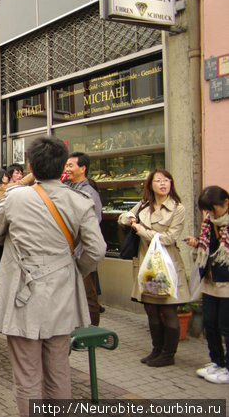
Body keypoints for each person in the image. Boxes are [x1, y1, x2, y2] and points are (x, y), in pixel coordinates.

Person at [0, 136, 105, 416]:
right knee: (59, 372)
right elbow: (97, 250)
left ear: (30, 166)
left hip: (22, 295)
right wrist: (76, 269)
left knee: (27, 376)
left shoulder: (15, 198)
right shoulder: (79, 200)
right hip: (62, 293)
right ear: (64, 165)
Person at [119, 169, 190, 367]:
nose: (163, 184)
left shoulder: (178, 208)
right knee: (151, 310)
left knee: (168, 310)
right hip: (146, 264)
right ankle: (156, 349)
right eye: (158, 180)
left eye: (167, 180)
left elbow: (169, 238)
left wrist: (141, 230)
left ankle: (168, 354)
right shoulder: (144, 205)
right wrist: (130, 219)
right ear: (151, 184)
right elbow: (123, 218)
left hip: (167, 264)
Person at [184, 186, 229, 384]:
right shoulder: (209, 223)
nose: (210, 213)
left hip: (227, 283)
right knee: (210, 324)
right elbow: (210, 248)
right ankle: (217, 361)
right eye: (207, 210)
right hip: (210, 280)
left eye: (213, 209)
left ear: (226, 203)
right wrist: (197, 244)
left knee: (225, 326)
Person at [64, 152, 103, 326]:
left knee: (88, 295)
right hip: (68, 252)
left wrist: (81, 254)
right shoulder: (67, 187)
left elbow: (92, 226)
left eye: (71, 165)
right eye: (66, 165)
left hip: (82, 253)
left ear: (83, 168)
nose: (67, 169)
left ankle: (92, 332)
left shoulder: (89, 193)